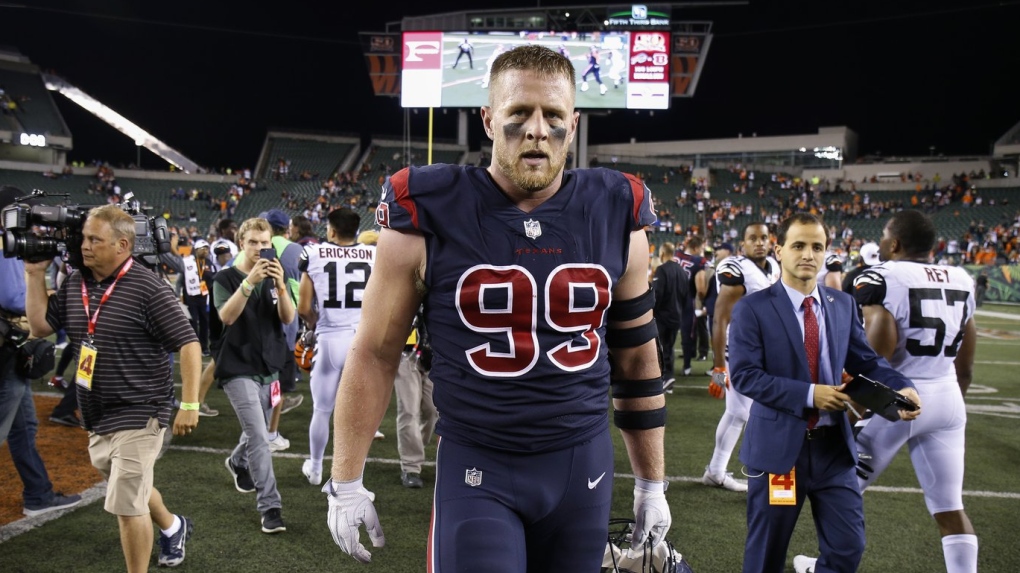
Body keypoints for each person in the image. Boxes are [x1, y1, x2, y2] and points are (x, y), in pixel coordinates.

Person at [324, 45, 670, 570]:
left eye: (553, 115)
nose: (537, 130)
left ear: (572, 125)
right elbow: (374, 352)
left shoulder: (617, 210)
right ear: (488, 119)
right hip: (477, 463)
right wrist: (345, 478)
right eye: (518, 114)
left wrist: (651, 482)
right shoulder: (428, 208)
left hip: (583, 467)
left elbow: (636, 358)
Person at [727, 212, 921, 573]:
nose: (808, 254)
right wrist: (809, 394)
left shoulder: (842, 304)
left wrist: (900, 387)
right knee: (766, 554)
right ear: (779, 250)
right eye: (798, 245)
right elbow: (745, 376)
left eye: (817, 247)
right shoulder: (753, 308)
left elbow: (867, 361)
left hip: (834, 450)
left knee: (848, 548)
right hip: (781, 453)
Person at [795, 210, 979, 573]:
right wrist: (953, 399)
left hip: (899, 400)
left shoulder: (883, 277)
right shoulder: (962, 278)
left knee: (840, 488)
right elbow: (967, 362)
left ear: (894, 243)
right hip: (948, 398)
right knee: (948, 505)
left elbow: (877, 358)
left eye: (883, 236)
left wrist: (854, 408)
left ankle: (828, 566)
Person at [24, 204, 201, 571]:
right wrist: (33, 273)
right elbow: (40, 325)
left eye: (94, 239)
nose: (84, 246)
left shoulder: (148, 287)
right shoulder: (76, 283)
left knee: (126, 505)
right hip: (97, 412)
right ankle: (172, 525)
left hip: (140, 409)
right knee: (130, 487)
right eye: (84, 237)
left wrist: (190, 404)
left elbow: (189, 343)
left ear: (123, 245)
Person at [1, 185, 83, 518]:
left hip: (10, 346)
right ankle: (38, 494)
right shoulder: (5, 244)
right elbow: (11, 298)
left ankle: (38, 494)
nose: (33, 220)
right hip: (7, 348)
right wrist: (45, 299)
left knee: (24, 427)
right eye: (27, 212)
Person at [213, 216, 295, 534]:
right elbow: (227, 317)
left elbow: (287, 319)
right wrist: (250, 283)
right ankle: (270, 507)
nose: (261, 248)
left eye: (265, 243)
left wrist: (279, 286)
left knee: (254, 432)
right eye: (254, 243)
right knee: (260, 437)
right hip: (237, 365)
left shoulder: (278, 274)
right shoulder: (226, 278)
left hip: (269, 365)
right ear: (241, 244)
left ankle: (237, 461)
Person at [296, 208, 376, 486]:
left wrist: (316, 324)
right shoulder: (372, 254)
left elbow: (304, 307)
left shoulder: (314, 254)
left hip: (331, 338)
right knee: (360, 412)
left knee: (322, 409)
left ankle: (316, 469)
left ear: (330, 230)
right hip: (364, 339)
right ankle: (354, 474)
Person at [703, 222, 779, 492]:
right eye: (752, 238)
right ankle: (728, 471)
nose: (759, 242)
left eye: (763, 237)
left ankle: (716, 470)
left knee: (739, 413)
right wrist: (718, 368)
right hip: (740, 351)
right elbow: (720, 319)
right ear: (743, 244)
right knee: (743, 412)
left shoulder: (774, 266)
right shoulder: (736, 269)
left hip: (764, 351)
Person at [393, 310, 438, 489]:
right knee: (409, 410)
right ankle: (411, 467)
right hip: (406, 353)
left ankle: (415, 444)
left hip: (434, 354)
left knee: (434, 410)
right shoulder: (404, 284)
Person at [652, 241, 689, 394]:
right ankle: (669, 378)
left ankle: (665, 377)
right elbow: (686, 295)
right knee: (669, 347)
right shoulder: (682, 271)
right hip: (677, 315)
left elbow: (657, 294)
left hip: (662, 316)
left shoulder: (661, 270)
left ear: (662, 253)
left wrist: (651, 310)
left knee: (660, 348)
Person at [675, 236, 709, 374]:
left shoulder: (676, 254)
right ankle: (687, 366)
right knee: (688, 334)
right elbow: (701, 288)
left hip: (670, 299)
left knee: (664, 334)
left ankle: (663, 368)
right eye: (701, 249)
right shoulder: (699, 261)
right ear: (695, 248)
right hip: (687, 300)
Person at [179, 239, 213, 355]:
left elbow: (213, 279)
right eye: (203, 249)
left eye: (207, 248)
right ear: (196, 250)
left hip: (204, 296)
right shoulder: (187, 262)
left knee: (204, 321)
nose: (205, 251)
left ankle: (204, 347)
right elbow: (180, 279)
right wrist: (179, 294)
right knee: (192, 321)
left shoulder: (209, 263)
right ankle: (194, 346)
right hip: (190, 296)